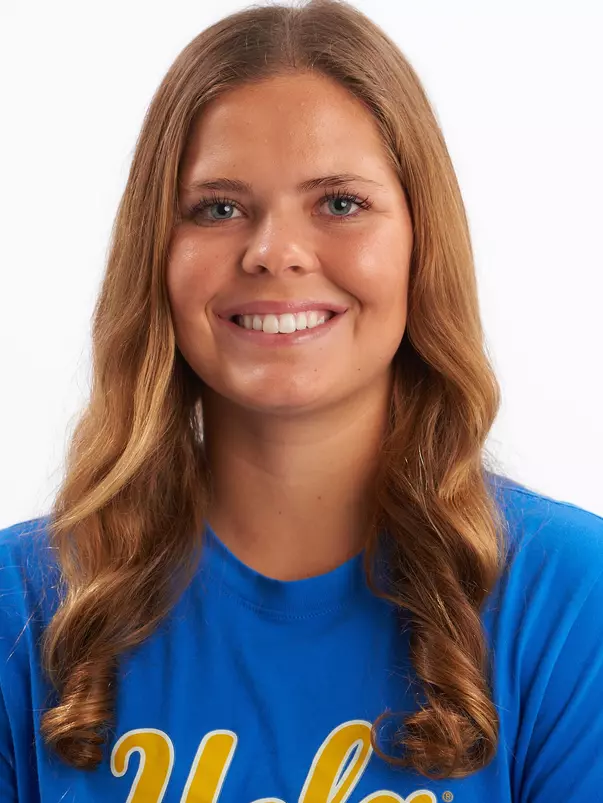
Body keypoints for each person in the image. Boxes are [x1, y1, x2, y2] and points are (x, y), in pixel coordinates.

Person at [1, 0, 602, 800]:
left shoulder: (568, 598)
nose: (273, 251)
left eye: (339, 203)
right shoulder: (26, 604)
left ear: (421, 242)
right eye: (218, 207)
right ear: (156, 253)